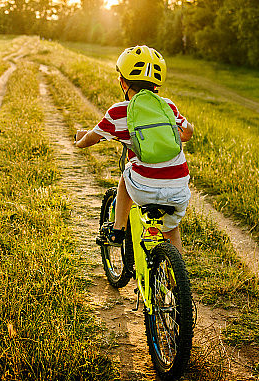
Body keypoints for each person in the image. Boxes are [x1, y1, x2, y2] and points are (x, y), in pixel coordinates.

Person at [74, 45, 194, 254]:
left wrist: (78, 141)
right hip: (179, 189)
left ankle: (117, 230)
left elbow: (90, 139)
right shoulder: (168, 107)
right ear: (156, 85)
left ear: (122, 81)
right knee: (172, 229)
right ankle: (177, 280)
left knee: (126, 175)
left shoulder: (120, 111)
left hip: (144, 187)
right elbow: (187, 133)